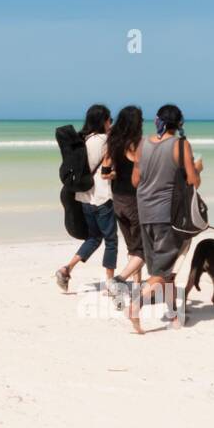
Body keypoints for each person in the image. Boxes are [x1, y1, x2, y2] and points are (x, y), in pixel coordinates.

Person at [127, 103, 202, 334]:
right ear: (179, 124)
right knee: (163, 271)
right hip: (168, 215)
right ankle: (137, 304)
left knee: (161, 270)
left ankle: (173, 315)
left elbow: (135, 181)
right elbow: (193, 181)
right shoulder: (181, 144)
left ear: (157, 121)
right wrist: (198, 168)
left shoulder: (142, 144)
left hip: (145, 213)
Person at [55, 104, 118, 291]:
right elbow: (110, 167)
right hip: (102, 196)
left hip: (84, 197)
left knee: (94, 237)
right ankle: (110, 282)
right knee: (111, 240)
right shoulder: (105, 140)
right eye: (109, 120)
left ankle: (66, 269)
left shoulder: (82, 140)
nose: (110, 123)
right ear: (103, 121)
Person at [101, 106, 144, 298]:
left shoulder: (113, 143)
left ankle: (137, 285)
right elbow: (140, 173)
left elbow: (104, 172)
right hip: (134, 201)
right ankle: (124, 281)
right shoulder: (137, 144)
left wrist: (115, 174)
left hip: (117, 201)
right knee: (141, 248)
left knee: (131, 246)